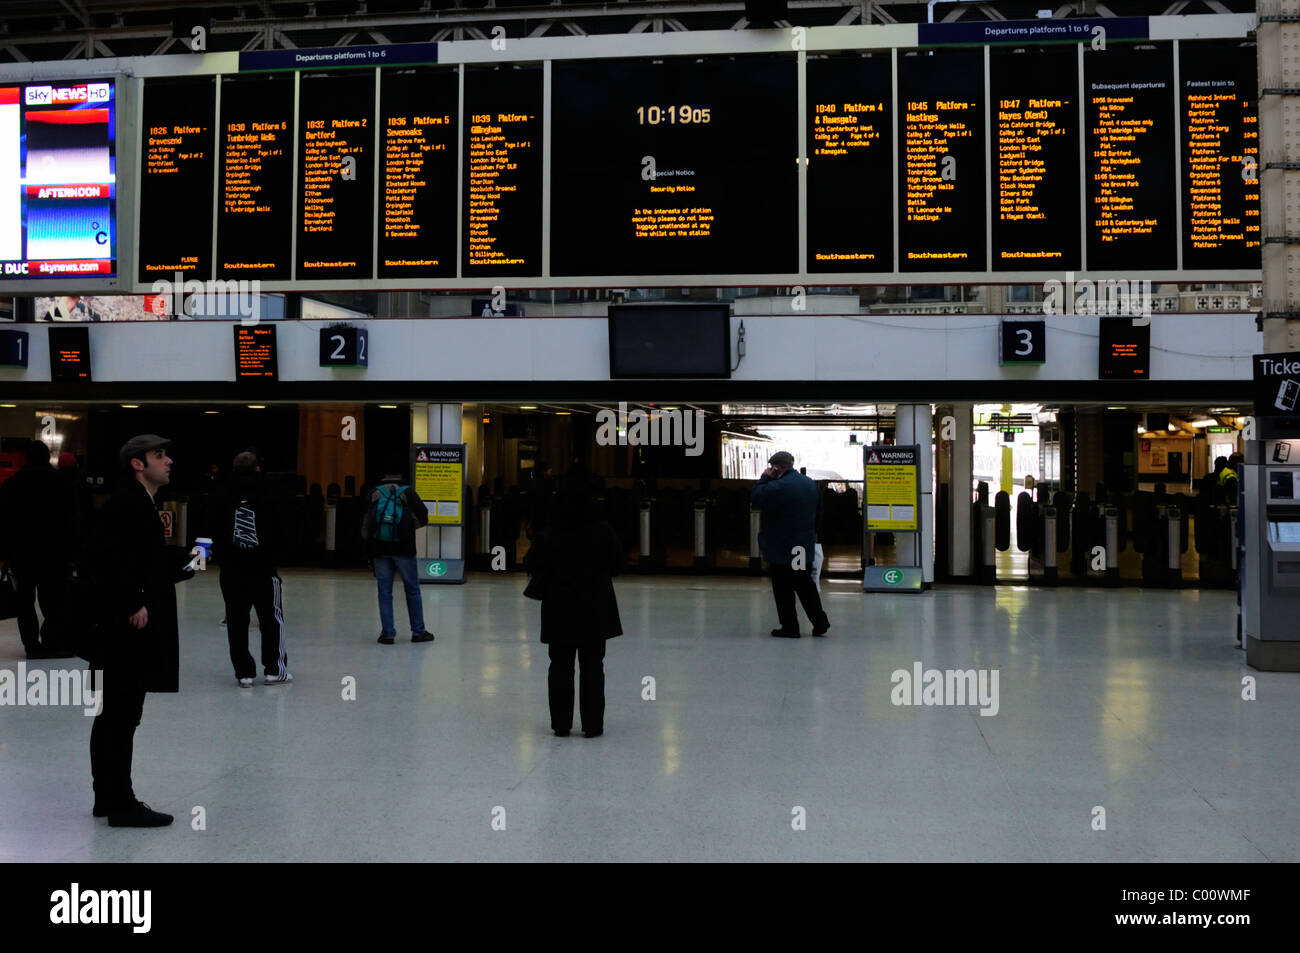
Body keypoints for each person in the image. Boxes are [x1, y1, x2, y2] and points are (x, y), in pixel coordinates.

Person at [87, 435, 195, 827]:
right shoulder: (127, 503)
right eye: (159, 455)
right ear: (137, 463)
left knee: (115, 714)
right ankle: (121, 803)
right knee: (120, 715)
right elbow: (105, 559)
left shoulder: (141, 503)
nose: (168, 461)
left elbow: (144, 561)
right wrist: (131, 602)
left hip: (122, 628)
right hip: (123, 632)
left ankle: (107, 796)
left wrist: (187, 562)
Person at [523, 473, 623, 737]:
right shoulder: (602, 531)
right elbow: (618, 564)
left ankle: (561, 724)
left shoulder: (550, 535)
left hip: (559, 609)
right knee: (593, 666)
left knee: (560, 666)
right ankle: (592, 725)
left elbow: (530, 563)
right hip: (595, 607)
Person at [215, 451, 291, 687]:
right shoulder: (272, 488)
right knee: (271, 618)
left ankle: (244, 673)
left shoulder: (221, 489)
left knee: (236, 620)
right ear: (258, 468)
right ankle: (274, 670)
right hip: (263, 566)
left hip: (231, 567)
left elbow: (212, 525)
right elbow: (284, 522)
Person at [0, 440, 75, 658]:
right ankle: (52, 642)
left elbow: (4, 523)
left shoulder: (12, 484)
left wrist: (4, 555)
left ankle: (31, 645)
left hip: (22, 555)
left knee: (24, 603)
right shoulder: (62, 483)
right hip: (55, 555)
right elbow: (72, 521)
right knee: (54, 602)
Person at [751, 450, 830, 638]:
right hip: (801, 545)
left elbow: (756, 498)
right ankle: (820, 621)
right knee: (804, 584)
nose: (770, 470)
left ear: (777, 467)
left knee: (782, 587)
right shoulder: (810, 484)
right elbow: (819, 513)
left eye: (772, 468)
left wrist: (763, 478)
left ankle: (790, 627)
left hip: (781, 547)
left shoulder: (779, 486)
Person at [361, 464, 435, 644]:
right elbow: (424, 516)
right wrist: (408, 528)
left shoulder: (374, 493)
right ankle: (418, 632)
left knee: (384, 592)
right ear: (400, 474)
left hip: (380, 550)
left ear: (385, 474)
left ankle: (387, 634)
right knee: (412, 590)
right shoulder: (408, 492)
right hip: (405, 550)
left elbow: (365, 523)